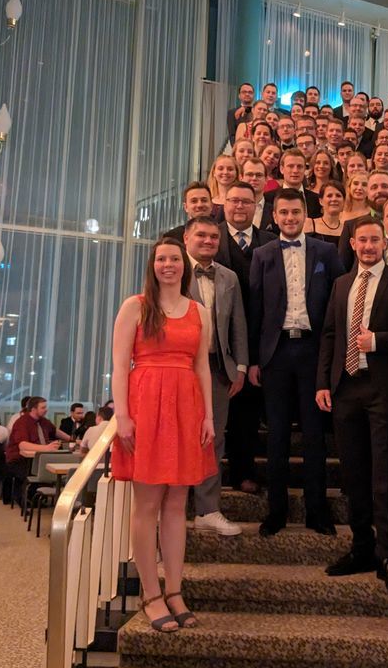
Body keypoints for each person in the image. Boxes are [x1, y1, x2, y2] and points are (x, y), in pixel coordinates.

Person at [317, 216, 388, 590]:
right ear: (352, 243)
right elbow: (330, 335)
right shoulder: (341, 284)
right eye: (362, 240)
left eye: (374, 240)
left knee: (385, 476)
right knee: (353, 476)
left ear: (385, 243)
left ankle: (387, 553)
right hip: (346, 389)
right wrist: (323, 382)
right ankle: (361, 547)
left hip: (386, 391)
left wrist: (378, 341)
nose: (368, 246)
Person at [112, 236, 215, 633]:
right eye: (161, 259)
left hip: (186, 407)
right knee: (147, 505)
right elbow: (120, 366)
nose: (168, 265)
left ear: (184, 265)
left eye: (174, 258)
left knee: (176, 504)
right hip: (146, 406)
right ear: (152, 266)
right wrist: (122, 415)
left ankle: (174, 590)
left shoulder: (198, 311)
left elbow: (202, 367)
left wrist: (207, 416)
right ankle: (151, 594)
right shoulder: (135, 306)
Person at [248, 188, 344, 535]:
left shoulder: (326, 251)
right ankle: (277, 511)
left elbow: (338, 303)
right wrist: (254, 360)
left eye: (295, 212)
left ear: (305, 214)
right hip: (275, 354)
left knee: (314, 434)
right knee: (277, 435)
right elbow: (255, 309)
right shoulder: (262, 255)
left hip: (314, 352)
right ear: (274, 216)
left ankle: (317, 511)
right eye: (284, 213)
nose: (290, 218)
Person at [184, 215, 248, 536]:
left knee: (213, 439)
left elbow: (238, 323)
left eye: (213, 237)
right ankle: (171, 506)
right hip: (180, 368)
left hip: (219, 369)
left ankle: (207, 509)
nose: (208, 241)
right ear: (186, 238)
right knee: (177, 435)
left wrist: (241, 366)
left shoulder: (229, 277)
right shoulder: (172, 269)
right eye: (201, 235)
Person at [216, 181, 276, 495]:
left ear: (256, 206)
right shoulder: (211, 237)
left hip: (257, 339)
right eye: (234, 201)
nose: (239, 206)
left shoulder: (271, 242)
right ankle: (205, 476)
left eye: (246, 202)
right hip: (216, 340)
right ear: (224, 204)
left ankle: (243, 472)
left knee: (247, 413)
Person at [4, 396, 64, 505]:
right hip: (19, 459)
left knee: (52, 467)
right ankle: (27, 498)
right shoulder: (22, 422)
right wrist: (46, 448)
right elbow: (23, 445)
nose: (46, 410)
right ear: (33, 409)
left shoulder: (43, 421)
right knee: (35, 471)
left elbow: (55, 431)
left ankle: (36, 497)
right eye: (43, 407)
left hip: (39, 458)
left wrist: (73, 439)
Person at [265, 147, 321, 218]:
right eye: (290, 166)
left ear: (304, 169)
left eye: (299, 166)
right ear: (282, 169)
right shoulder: (268, 199)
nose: (295, 171)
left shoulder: (316, 200)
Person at [240, 157, 275, 231]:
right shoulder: (229, 207)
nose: (254, 178)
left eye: (259, 175)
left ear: (266, 179)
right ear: (241, 178)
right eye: (249, 174)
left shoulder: (274, 211)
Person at [207, 154, 239, 223]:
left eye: (230, 169)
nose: (225, 172)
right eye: (220, 169)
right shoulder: (206, 200)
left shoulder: (241, 201)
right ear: (214, 173)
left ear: (236, 173)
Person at [226, 82, 254, 147]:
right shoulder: (232, 112)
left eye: (250, 92)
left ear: (253, 95)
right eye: (244, 92)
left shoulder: (258, 110)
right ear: (239, 95)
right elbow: (232, 135)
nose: (247, 94)